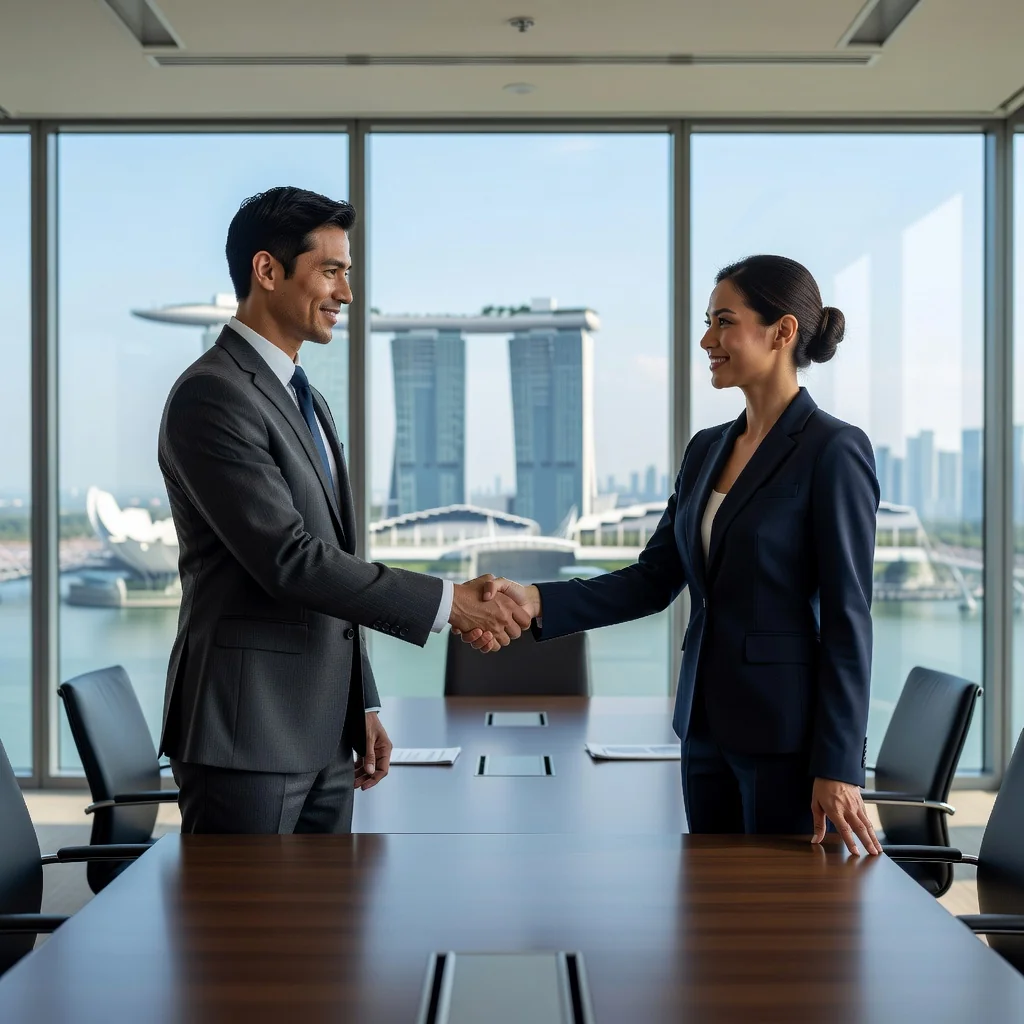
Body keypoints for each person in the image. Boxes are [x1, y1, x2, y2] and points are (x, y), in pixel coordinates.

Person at [466, 254, 883, 855]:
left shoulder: (833, 450)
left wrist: (840, 763)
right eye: (708, 322)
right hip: (703, 729)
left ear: (782, 331)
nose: (707, 340)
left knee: (784, 926)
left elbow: (849, 618)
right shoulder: (706, 450)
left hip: (787, 741)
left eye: (724, 321)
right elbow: (653, 579)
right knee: (709, 921)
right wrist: (532, 601)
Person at [158, 186, 531, 835]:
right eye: (330, 271)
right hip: (248, 734)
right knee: (245, 935)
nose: (346, 294)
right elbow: (291, 562)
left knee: (325, 933)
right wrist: (450, 603)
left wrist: (362, 701)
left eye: (347, 274)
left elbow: (336, 565)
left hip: (326, 734)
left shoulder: (308, 400)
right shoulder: (212, 396)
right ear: (267, 271)